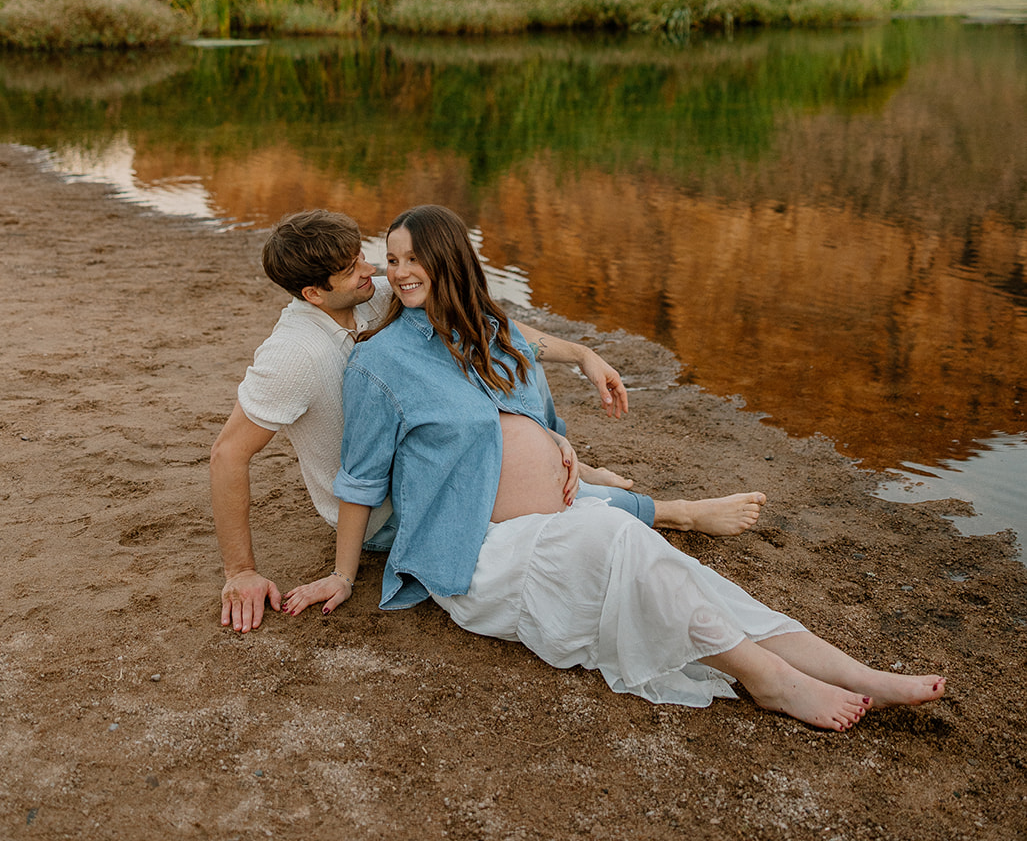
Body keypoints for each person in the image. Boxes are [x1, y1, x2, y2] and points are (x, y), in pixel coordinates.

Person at [284, 205, 946, 732]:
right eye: (392, 258)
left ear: (449, 259)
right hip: (482, 556)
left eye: (412, 257)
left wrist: (558, 445)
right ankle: (767, 681)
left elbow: (529, 418)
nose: (399, 272)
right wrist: (343, 575)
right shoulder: (381, 360)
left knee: (687, 575)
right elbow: (362, 479)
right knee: (625, 539)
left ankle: (857, 673)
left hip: (557, 519)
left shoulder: (496, 335)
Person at [211, 208, 765, 634]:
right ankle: (674, 515)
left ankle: (573, 465)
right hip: (385, 510)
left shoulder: (367, 292)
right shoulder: (293, 356)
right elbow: (228, 454)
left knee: (490, 409)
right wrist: (242, 571)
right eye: (356, 267)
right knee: (522, 484)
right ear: (313, 293)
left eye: (367, 256)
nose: (376, 270)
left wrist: (580, 356)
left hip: (420, 457)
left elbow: (483, 325)